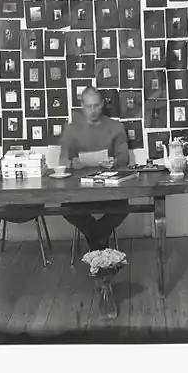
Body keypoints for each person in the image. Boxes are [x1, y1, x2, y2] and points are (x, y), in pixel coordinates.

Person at [59, 87, 130, 251]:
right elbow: (62, 160)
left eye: (96, 105)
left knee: (123, 206)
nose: (93, 110)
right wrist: (72, 163)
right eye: (89, 106)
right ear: (82, 105)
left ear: (103, 104)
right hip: (80, 189)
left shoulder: (116, 127)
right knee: (66, 208)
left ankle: (94, 237)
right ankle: (100, 237)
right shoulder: (71, 129)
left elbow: (124, 157)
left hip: (108, 187)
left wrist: (114, 161)